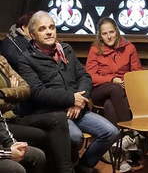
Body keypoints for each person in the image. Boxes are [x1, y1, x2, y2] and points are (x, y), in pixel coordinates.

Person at [17, 11, 119, 173]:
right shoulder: (26, 59)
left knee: (111, 132)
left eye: (52, 27)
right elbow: (37, 93)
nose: (49, 31)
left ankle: (83, 166)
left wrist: (80, 100)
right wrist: (71, 99)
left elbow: (84, 76)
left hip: (77, 109)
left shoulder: (66, 49)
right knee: (75, 137)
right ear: (32, 34)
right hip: (53, 114)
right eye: (43, 29)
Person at [0, 54, 74, 173]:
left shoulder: (1, 59)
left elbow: (26, 89)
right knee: (42, 135)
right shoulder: (25, 58)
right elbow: (30, 93)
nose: (49, 33)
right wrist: (14, 94)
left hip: (12, 116)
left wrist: (4, 94)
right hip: (6, 120)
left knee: (58, 118)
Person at [86, 17, 142, 126]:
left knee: (109, 104)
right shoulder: (95, 50)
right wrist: (112, 79)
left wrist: (127, 82)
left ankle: (117, 141)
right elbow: (90, 76)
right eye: (104, 33)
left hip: (124, 91)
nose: (109, 36)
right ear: (100, 36)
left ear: (116, 31)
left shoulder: (129, 48)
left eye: (111, 32)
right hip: (100, 90)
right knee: (114, 88)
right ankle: (130, 131)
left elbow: (137, 73)